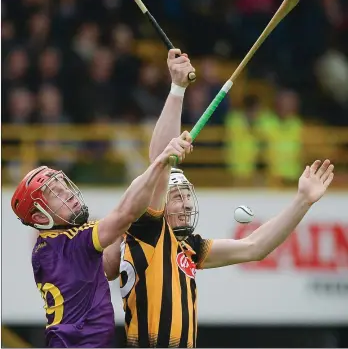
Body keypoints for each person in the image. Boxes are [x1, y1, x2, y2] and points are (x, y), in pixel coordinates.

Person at [115, 49, 335, 348]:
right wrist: (178, 89)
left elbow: (254, 247)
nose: (187, 203)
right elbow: (159, 161)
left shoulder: (188, 248)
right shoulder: (146, 232)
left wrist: (302, 202)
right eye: (177, 197)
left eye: (187, 197)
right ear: (160, 204)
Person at [10, 130, 193, 348]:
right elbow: (125, 213)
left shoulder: (52, 244)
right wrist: (160, 162)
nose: (67, 193)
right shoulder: (70, 243)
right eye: (56, 194)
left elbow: (110, 266)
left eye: (63, 186)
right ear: (40, 217)